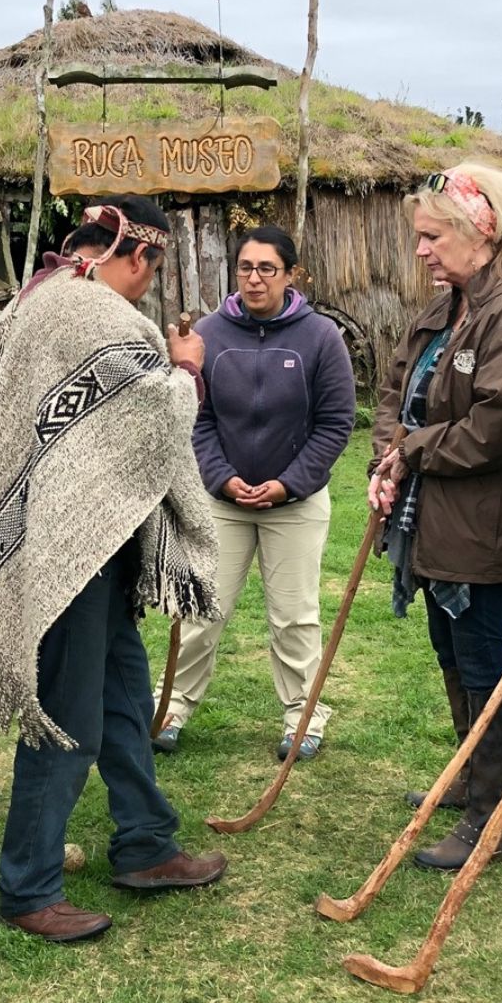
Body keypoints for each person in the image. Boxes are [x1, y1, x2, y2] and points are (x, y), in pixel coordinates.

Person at [0, 195, 227, 942]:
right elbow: (153, 420)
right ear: (134, 253)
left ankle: (145, 843)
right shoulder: (99, 316)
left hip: (78, 539)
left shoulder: (36, 299)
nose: (151, 283)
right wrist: (186, 373)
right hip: (66, 551)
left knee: (119, 695)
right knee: (68, 716)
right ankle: (29, 886)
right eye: (155, 266)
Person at [370, 162, 502, 871]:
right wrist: (383, 458)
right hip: (435, 515)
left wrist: (412, 450)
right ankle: (469, 778)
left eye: (432, 236)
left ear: (478, 232)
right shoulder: (444, 306)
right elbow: (394, 387)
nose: (421, 251)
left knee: (482, 656)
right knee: (451, 650)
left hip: (485, 520)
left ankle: (489, 816)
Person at [152, 225, 355, 760]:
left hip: (296, 505)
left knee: (294, 615)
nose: (255, 278)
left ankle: (302, 717)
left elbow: (335, 423)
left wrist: (289, 483)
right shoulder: (211, 335)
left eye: (268, 268)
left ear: (290, 275)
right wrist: (221, 477)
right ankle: (170, 707)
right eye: (246, 267)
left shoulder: (321, 338)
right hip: (223, 503)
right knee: (202, 609)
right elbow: (197, 416)